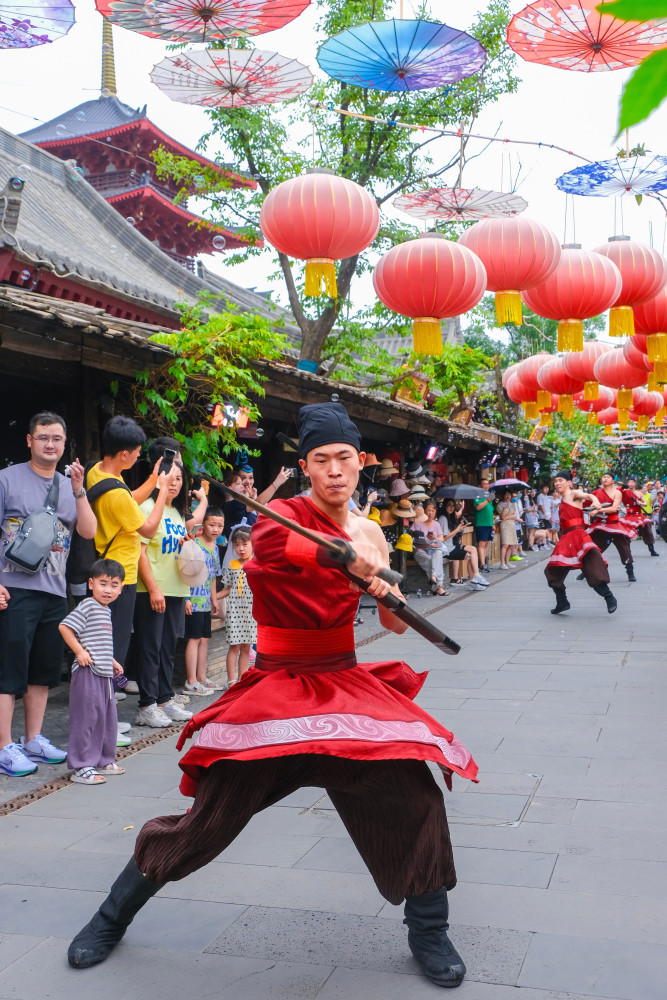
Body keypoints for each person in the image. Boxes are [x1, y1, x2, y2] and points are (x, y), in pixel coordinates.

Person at [68, 400, 478, 990]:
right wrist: (338, 554)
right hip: (279, 688)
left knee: (415, 795)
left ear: (360, 463)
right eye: (321, 460)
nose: (334, 469)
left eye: (344, 458)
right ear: (306, 467)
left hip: (342, 684)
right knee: (206, 822)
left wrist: (389, 595)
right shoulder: (283, 514)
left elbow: (390, 625)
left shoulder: (371, 533)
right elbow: (273, 546)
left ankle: (430, 932)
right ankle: (111, 916)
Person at [0, 412, 97, 777]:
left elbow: (88, 532)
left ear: (64, 443)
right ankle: (4, 746)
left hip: (53, 592)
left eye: (56, 438)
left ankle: (34, 739)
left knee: (42, 672)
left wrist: (79, 489)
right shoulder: (6, 480)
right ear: (29, 440)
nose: (50, 444)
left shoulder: (69, 485)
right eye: (43, 438)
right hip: (13, 589)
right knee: (9, 672)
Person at [85, 417, 181, 678]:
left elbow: (127, 501)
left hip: (104, 567)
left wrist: (152, 479)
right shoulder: (116, 492)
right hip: (120, 574)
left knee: (104, 638)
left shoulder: (98, 472)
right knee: (115, 643)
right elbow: (148, 528)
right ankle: (107, 704)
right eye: (137, 452)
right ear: (124, 454)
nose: (140, 456)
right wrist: (162, 490)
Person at [133, 463, 193, 728]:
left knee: (168, 648)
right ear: (159, 478)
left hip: (177, 589)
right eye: (170, 477)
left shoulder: (177, 513)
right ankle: (147, 705)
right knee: (150, 648)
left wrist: (186, 543)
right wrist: (153, 588)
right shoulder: (147, 508)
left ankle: (164, 700)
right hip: (152, 590)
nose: (175, 482)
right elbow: (140, 552)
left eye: (179, 478)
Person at [59, 559, 126, 785]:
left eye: (114, 585)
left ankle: (103, 760)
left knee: (107, 718)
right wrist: (79, 652)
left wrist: (113, 661)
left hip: (104, 673)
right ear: (91, 584)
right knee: (86, 719)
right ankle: (80, 766)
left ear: (121, 588)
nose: (108, 590)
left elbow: (98, 641)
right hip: (87, 672)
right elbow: (65, 627)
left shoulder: (104, 610)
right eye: (103, 583)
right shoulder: (88, 605)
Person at [545, 471, 617, 615]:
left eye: (560, 480)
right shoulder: (562, 499)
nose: (557, 483)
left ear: (569, 482)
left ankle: (609, 597)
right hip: (566, 538)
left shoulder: (574, 494)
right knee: (553, 570)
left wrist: (595, 501)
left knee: (592, 567)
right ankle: (562, 602)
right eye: (555, 481)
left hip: (579, 536)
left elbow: (589, 496)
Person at [184, 507, 226, 696]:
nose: (216, 529)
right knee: (194, 638)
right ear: (204, 524)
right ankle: (191, 681)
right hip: (193, 599)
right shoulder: (195, 544)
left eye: (220, 526)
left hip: (206, 603)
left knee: (205, 639)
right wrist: (186, 598)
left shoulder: (215, 548)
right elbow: (184, 572)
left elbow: (213, 577)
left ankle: (202, 678)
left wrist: (214, 599)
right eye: (212, 525)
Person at [218, 525, 256, 684]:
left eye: (245, 544)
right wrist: (213, 598)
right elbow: (228, 589)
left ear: (253, 543)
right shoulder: (232, 565)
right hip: (234, 612)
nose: (241, 548)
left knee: (246, 647)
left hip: (252, 612)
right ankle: (231, 680)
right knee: (234, 647)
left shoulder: (257, 564)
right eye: (237, 545)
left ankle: (242, 679)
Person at [587, 473, 637, 582]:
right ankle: (586, 570)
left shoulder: (617, 493)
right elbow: (587, 505)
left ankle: (630, 572)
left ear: (613, 481)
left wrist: (598, 510)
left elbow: (614, 509)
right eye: (603, 477)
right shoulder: (595, 493)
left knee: (624, 548)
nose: (605, 478)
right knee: (593, 548)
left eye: (608, 477)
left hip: (614, 523)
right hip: (601, 524)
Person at [435, 500, 488, 591]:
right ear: (445, 506)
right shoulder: (443, 518)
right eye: (449, 505)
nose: (451, 508)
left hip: (451, 546)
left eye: (453, 506)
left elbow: (452, 533)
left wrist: (460, 529)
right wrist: (456, 530)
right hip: (447, 550)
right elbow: (444, 538)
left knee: (473, 549)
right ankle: (475, 578)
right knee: (471, 554)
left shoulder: (449, 517)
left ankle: (475, 578)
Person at [621, 478, 659, 556]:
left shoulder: (639, 493)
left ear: (635, 483)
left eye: (632, 482)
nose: (630, 483)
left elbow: (645, 504)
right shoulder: (625, 492)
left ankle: (652, 549)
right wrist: (622, 509)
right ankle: (627, 551)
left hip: (639, 515)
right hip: (629, 515)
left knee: (647, 529)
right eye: (628, 482)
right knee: (625, 533)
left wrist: (640, 503)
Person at [472, 479, 494, 572]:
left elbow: (491, 511)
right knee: (481, 543)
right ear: (480, 486)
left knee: (486, 543)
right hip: (481, 523)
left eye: (487, 484)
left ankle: (485, 562)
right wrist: (488, 500)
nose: (486, 486)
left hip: (489, 523)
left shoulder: (488, 496)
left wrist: (492, 523)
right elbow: (478, 507)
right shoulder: (477, 495)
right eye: (484, 484)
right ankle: (482, 564)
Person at [497, 490, 519, 570]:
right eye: (506, 494)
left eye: (509, 494)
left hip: (511, 524)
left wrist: (507, 517)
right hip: (505, 525)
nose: (507, 496)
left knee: (512, 544)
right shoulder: (500, 504)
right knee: (505, 544)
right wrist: (506, 508)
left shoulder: (513, 504)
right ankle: (502, 563)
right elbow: (502, 516)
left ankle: (507, 561)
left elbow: (514, 515)